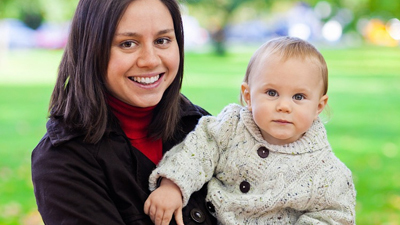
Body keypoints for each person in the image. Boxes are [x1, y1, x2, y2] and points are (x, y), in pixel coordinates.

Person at [31, 0, 217, 224]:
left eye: (162, 40)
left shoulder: (201, 126)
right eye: (128, 43)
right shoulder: (62, 161)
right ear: (90, 49)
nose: (150, 60)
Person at [145, 36, 356, 225]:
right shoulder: (230, 127)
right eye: (271, 92)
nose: (284, 106)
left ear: (319, 106)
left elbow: (335, 216)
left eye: (298, 97)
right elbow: (197, 151)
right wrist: (173, 185)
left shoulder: (327, 172)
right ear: (248, 96)